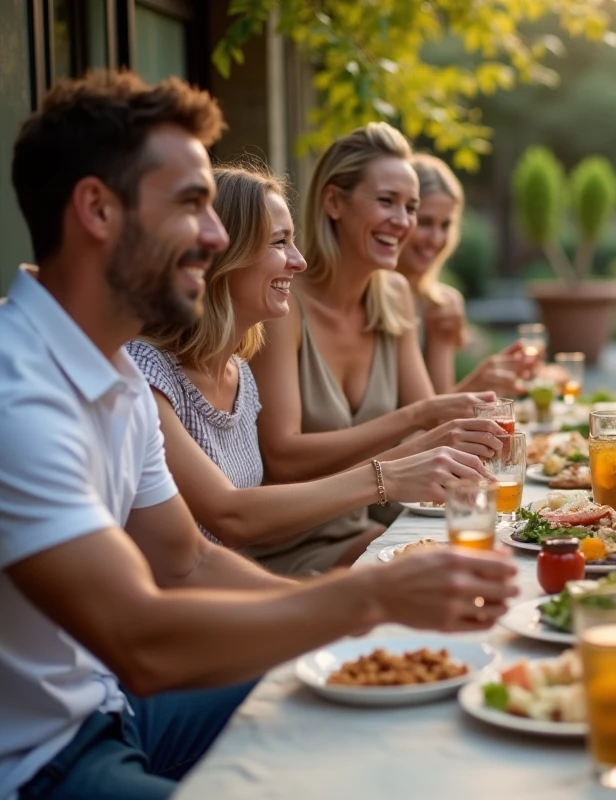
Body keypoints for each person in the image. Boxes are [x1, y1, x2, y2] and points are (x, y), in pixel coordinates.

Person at [0, 70, 516, 800]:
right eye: (192, 206)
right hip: (40, 762)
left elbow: (189, 566)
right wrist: (366, 601)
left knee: (395, 712)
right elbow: (141, 642)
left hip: (118, 710)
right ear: (97, 210)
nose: (215, 237)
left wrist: (356, 627)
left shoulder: (112, 375)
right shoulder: (16, 395)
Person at [128, 163, 493, 557]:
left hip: (237, 583)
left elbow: (263, 526)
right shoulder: (147, 374)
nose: (298, 261)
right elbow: (233, 519)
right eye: (279, 242)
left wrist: (408, 463)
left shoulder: (240, 375)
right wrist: (389, 473)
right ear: (222, 252)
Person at [250, 124, 505, 574]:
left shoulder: (393, 295)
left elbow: (430, 427)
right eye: (386, 202)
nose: (404, 222)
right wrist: (418, 417)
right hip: (284, 550)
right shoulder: (285, 304)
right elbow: (283, 457)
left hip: (364, 531)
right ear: (333, 202)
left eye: (411, 207)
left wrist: (469, 404)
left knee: (491, 553)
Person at [398, 152, 531, 395]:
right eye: (425, 222)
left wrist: (491, 382)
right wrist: (478, 384)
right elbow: (427, 416)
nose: (436, 239)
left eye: (445, 225)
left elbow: (436, 408)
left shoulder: (441, 305)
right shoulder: (369, 298)